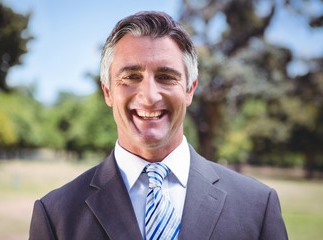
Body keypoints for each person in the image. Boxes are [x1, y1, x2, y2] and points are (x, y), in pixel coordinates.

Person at [29, 11, 288, 240]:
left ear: (189, 90)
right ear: (108, 92)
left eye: (166, 77)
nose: (150, 95)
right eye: (131, 77)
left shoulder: (257, 206)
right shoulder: (56, 215)